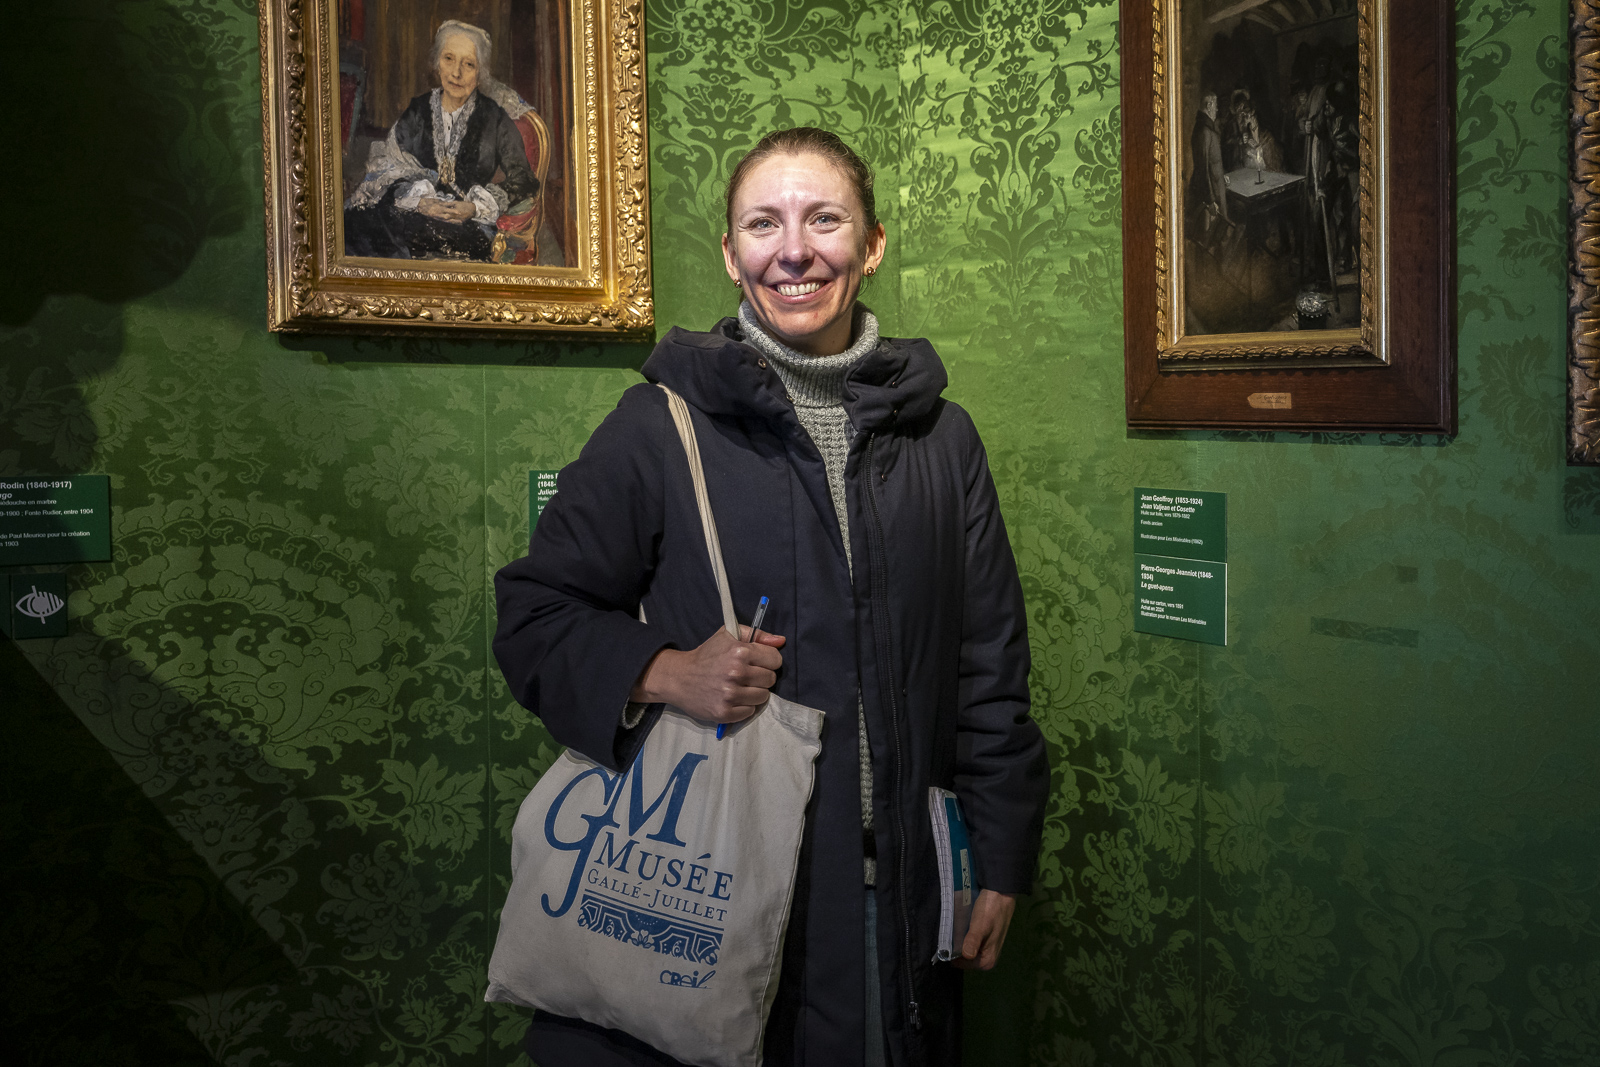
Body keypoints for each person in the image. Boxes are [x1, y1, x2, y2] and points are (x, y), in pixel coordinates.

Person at [493, 127, 1050, 1067]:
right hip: (712, 890)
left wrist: (995, 857)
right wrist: (665, 671)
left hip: (891, 903)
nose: (794, 249)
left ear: (870, 246)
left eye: (823, 218)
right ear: (731, 253)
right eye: (764, 223)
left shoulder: (943, 441)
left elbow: (988, 671)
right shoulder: (657, 425)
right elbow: (533, 615)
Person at [344, 20, 537, 261]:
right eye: (449, 59)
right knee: (356, 226)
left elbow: (524, 178)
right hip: (415, 212)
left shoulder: (495, 118)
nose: (456, 73)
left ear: (480, 73)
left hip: (464, 224)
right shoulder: (418, 110)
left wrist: (475, 207)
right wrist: (419, 202)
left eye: (468, 64)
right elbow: (387, 162)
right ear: (437, 63)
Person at [1188, 91, 1230, 246]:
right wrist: (1210, 200)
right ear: (1209, 105)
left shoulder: (1207, 129)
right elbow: (1202, 168)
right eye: (1216, 105)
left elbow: (1213, 162)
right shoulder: (1204, 132)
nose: (1217, 109)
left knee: (1219, 235)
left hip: (1217, 186)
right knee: (1208, 239)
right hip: (1211, 193)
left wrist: (1222, 174)